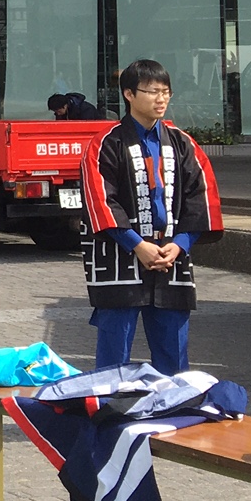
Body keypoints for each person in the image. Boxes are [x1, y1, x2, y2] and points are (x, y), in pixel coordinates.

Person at [80, 59, 223, 374]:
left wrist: (181, 243)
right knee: (114, 354)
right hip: (119, 256)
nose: (161, 99)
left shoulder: (183, 143)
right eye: (152, 92)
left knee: (174, 355)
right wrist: (137, 245)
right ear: (129, 94)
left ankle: (174, 404)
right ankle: (109, 404)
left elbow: (200, 197)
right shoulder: (105, 144)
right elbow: (101, 201)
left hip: (171, 255)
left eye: (166, 92)